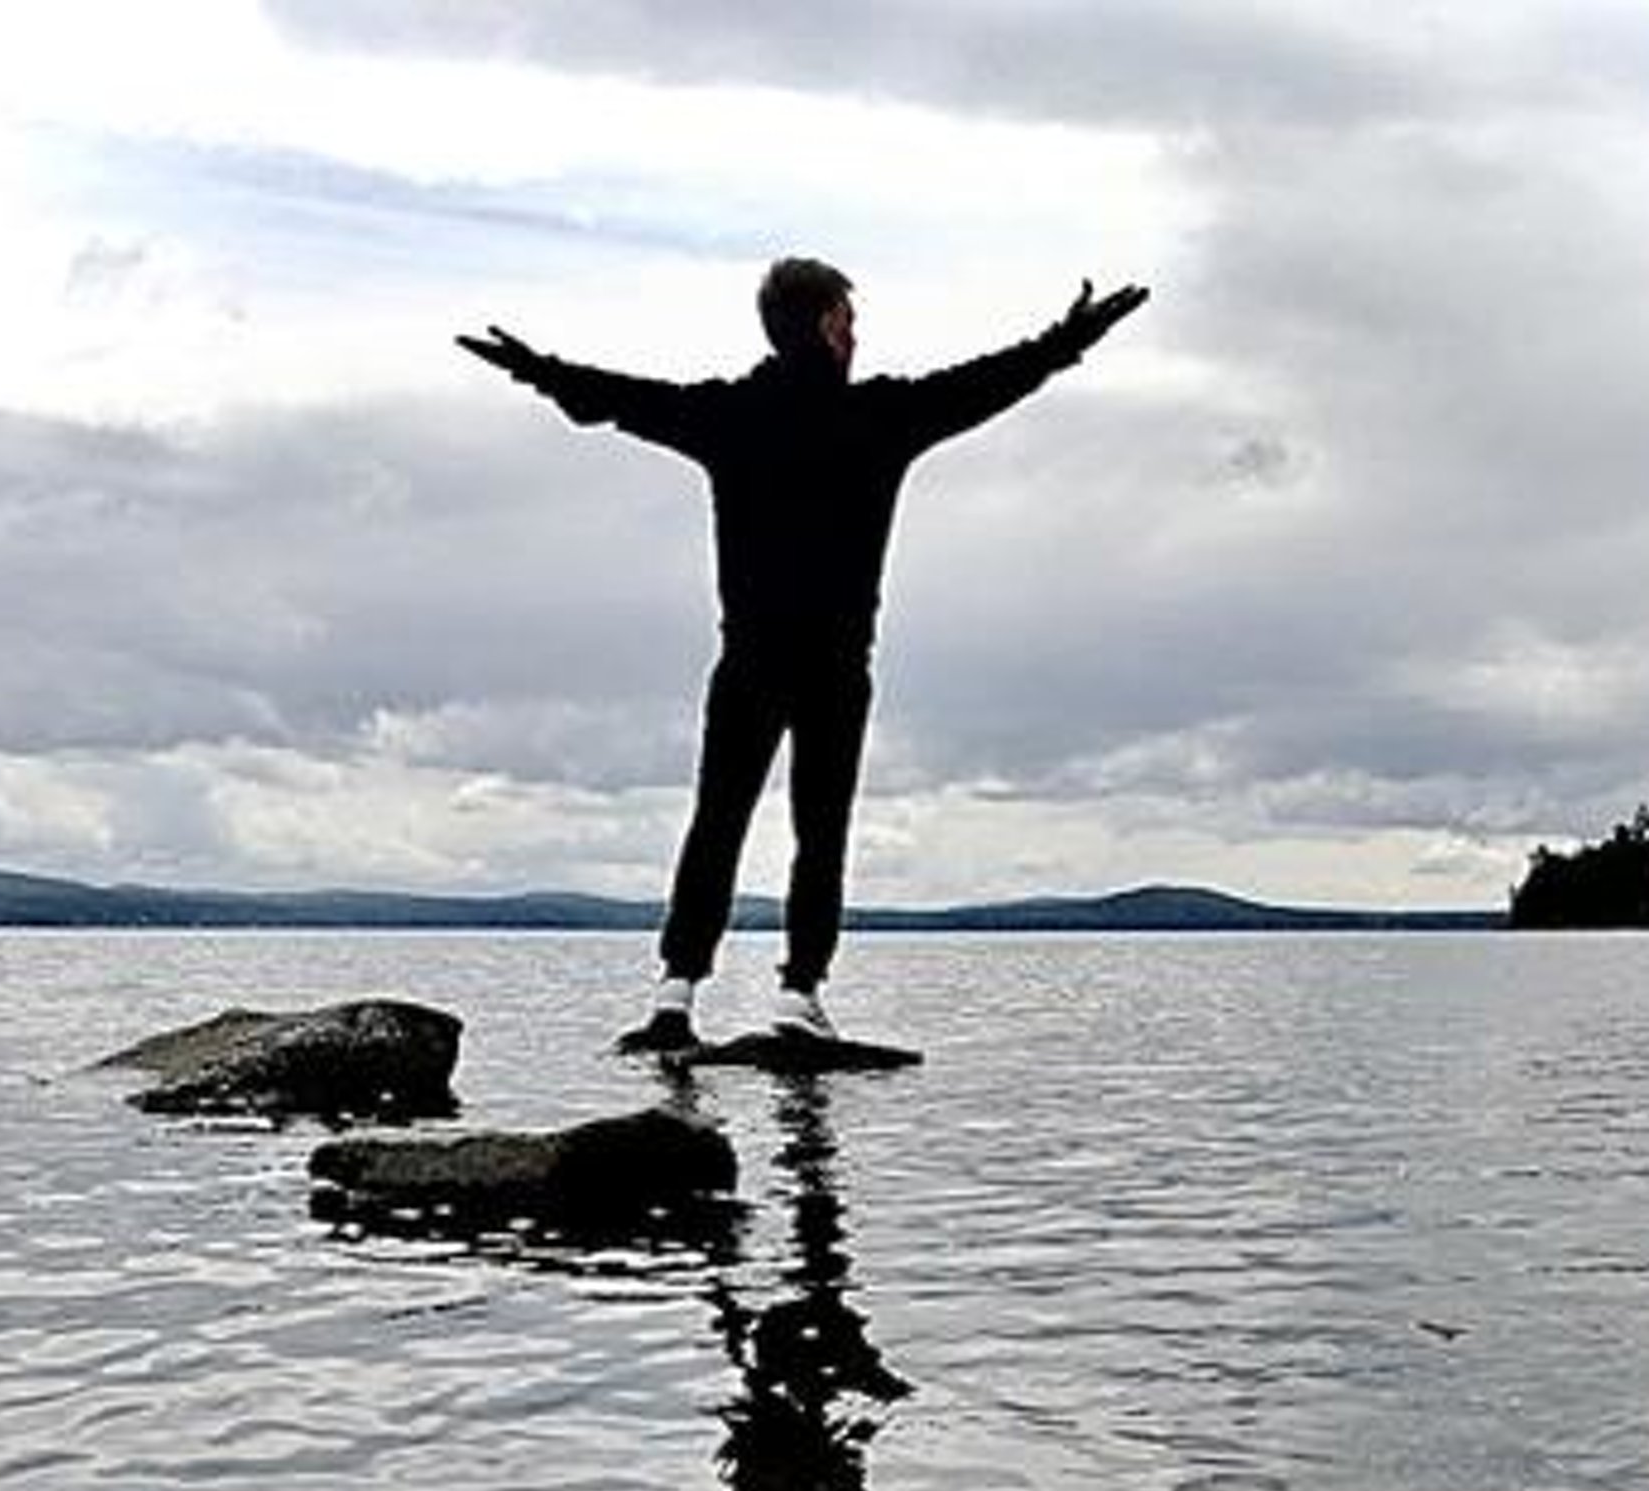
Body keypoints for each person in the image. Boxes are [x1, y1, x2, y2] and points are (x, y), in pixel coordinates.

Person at [459, 258, 1148, 1051]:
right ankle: (797, 995)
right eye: (848, 322)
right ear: (824, 326)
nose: (856, 337)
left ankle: (675, 996)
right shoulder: (881, 417)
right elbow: (990, 384)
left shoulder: (730, 415)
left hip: (748, 663)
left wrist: (535, 370)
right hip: (834, 665)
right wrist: (1073, 338)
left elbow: (618, 399)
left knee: (717, 820)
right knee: (819, 830)